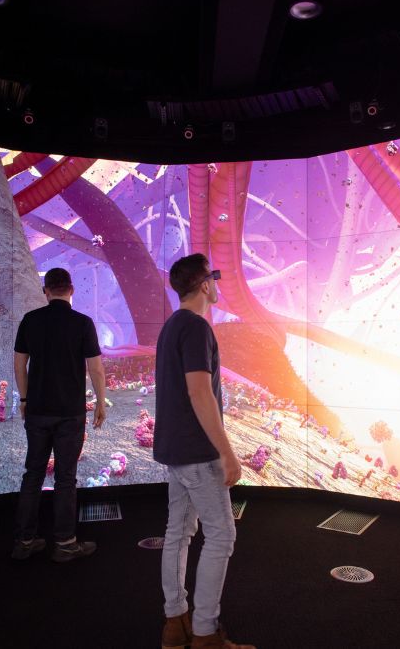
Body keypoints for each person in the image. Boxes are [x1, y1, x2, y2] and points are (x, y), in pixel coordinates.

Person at [155, 254, 253, 649]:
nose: (216, 283)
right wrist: (227, 452)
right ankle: (206, 633)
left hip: (175, 451)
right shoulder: (196, 328)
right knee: (221, 536)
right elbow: (199, 392)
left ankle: (174, 623)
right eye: (214, 277)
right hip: (198, 451)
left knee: (177, 533)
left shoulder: (170, 327)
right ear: (205, 286)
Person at [11, 267, 106, 563]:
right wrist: (101, 401)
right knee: (66, 478)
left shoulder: (31, 320)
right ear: (72, 290)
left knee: (33, 474)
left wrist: (25, 398)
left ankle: (25, 541)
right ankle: (65, 543)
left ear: (46, 290)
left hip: (37, 410)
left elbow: (19, 364)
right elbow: (96, 368)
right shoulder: (83, 323)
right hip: (70, 414)